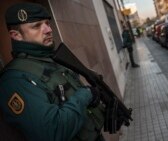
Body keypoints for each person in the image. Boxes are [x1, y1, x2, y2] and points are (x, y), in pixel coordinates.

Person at [0, 2, 105, 141]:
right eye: (36, 26)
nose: (48, 29)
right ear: (16, 35)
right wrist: (85, 95)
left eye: (47, 23)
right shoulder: (14, 80)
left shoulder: (51, 59)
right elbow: (53, 131)